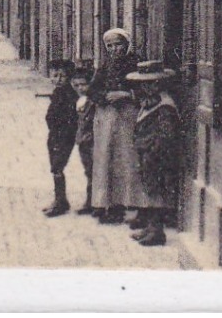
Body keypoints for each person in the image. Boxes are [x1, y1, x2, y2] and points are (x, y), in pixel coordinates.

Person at [88, 27, 148, 225]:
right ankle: (112, 206)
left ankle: (138, 207)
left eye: (118, 44)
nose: (114, 49)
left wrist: (126, 95)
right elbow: (92, 90)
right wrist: (105, 97)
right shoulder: (105, 66)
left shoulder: (136, 64)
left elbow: (146, 90)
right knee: (107, 160)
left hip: (128, 117)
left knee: (130, 160)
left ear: (127, 45)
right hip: (106, 119)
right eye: (110, 46)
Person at [128, 62, 181, 246]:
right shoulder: (151, 102)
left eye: (153, 83)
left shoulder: (165, 107)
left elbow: (166, 137)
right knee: (149, 191)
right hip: (147, 155)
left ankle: (157, 232)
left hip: (157, 157)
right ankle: (150, 228)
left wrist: (152, 152)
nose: (148, 87)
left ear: (160, 83)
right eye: (144, 84)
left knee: (157, 193)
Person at [42, 58, 78, 217]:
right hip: (55, 135)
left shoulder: (69, 95)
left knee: (57, 166)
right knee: (55, 166)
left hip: (63, 136)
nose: (58, 79)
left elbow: (70, 118)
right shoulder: (58, 92)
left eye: (62, 76)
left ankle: (60, 202)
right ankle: (60, 199)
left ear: (69, 77)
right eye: (55, 75)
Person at [71, 63, 97, 215]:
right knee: (88, 171)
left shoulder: (92, 102)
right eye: (76, 85)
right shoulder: (78, 100)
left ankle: (92, 202)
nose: (80, 88)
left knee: (93, 171)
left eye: (83, 84)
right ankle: (90, 201)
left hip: (91, 141)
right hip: (82, 141)